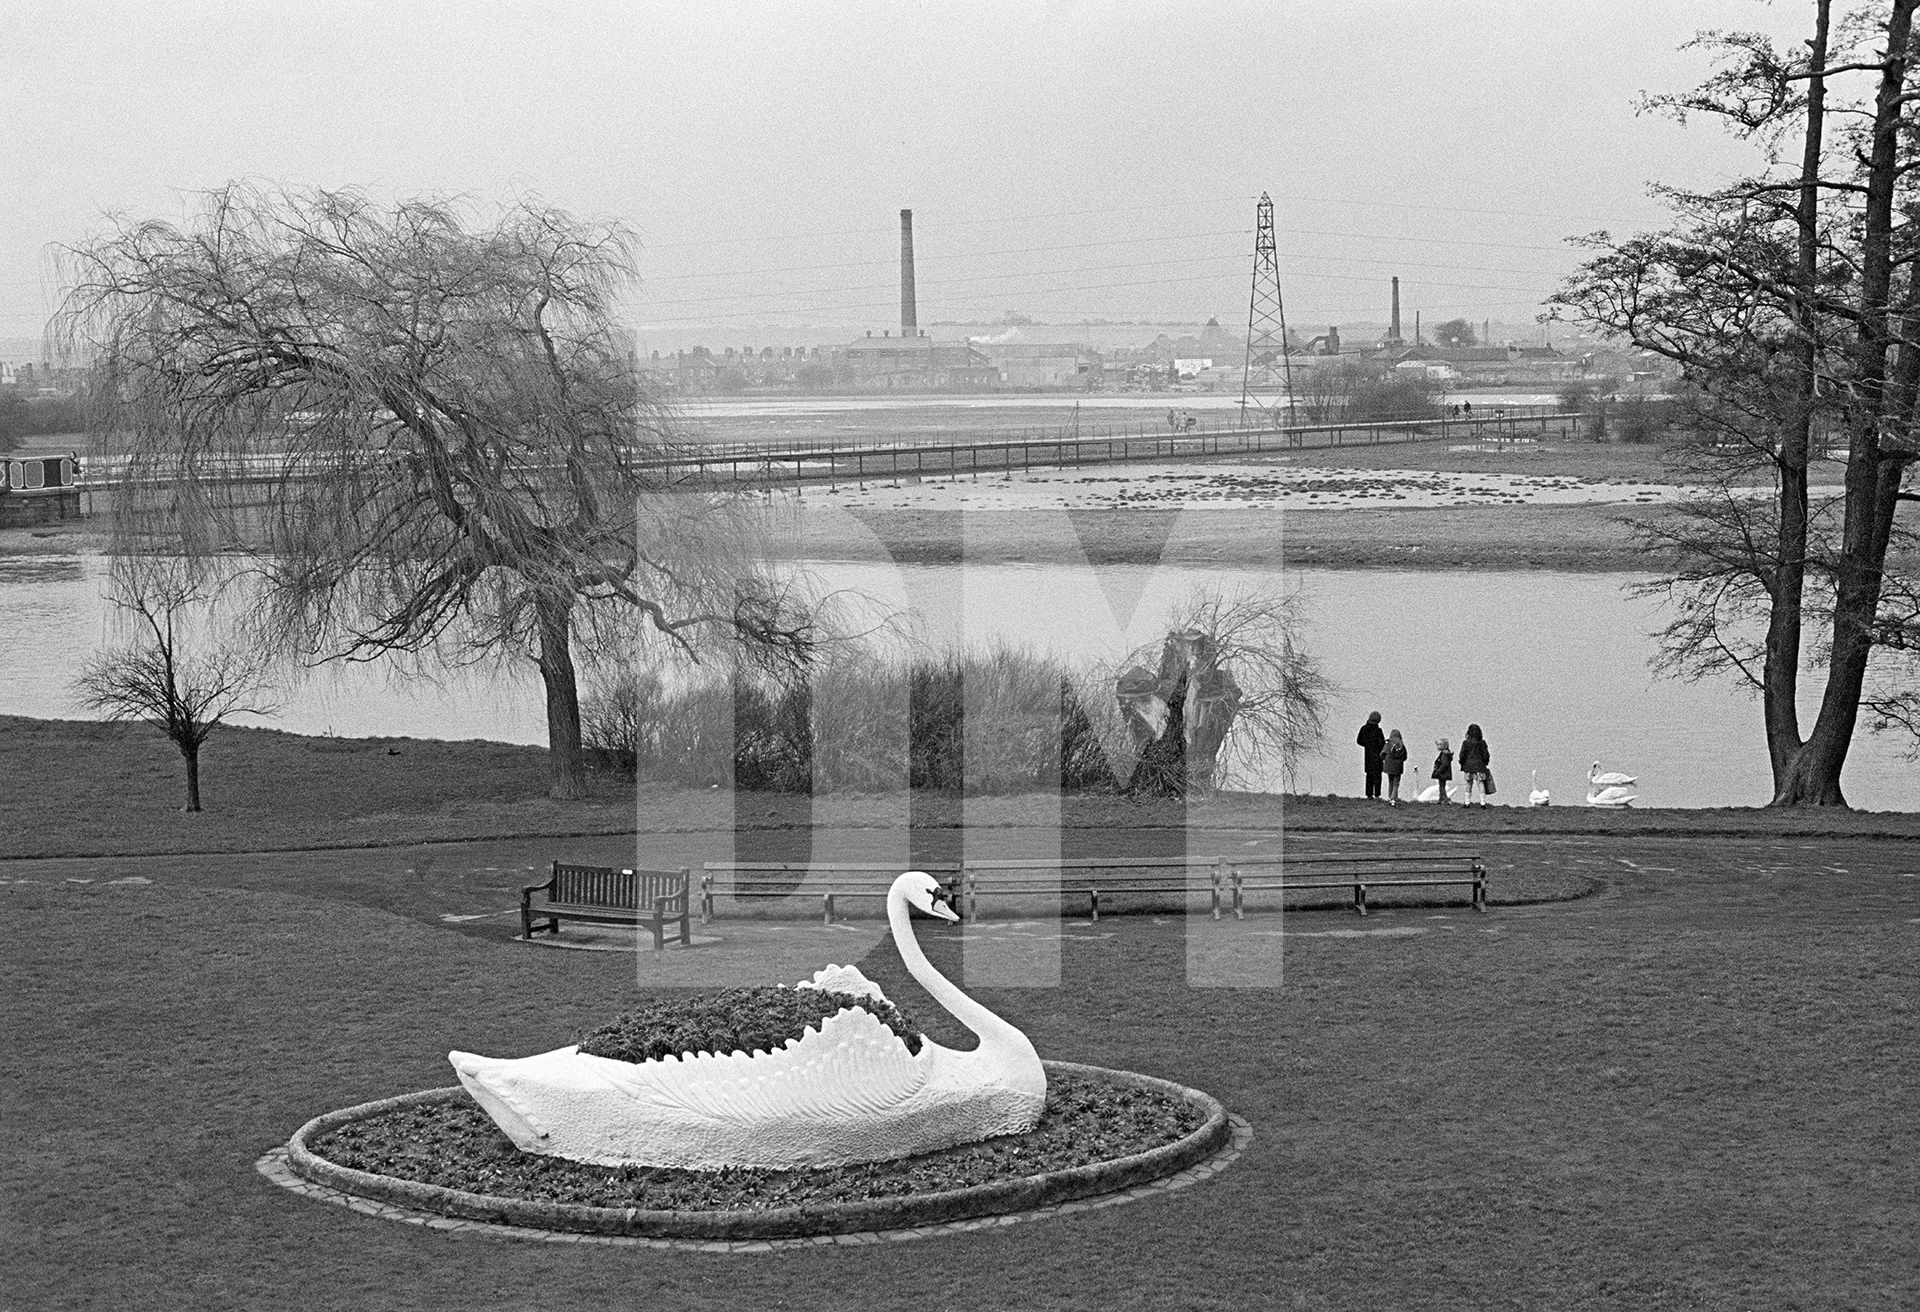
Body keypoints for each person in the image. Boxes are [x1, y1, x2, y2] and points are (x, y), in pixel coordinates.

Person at [1459, 723, 1492, 805]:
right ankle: (1483, 802)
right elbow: (1486, 755)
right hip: (1480, 766)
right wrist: (1485, 763)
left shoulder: (1466, 743)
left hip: (1468, 766)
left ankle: (1467, 802)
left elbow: (1462, 755)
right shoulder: (1482, 743)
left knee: (1468, 783)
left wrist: (1462, 763)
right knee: (1481, 783)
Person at [1357, 711, 1386, 800]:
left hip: (1368, 755)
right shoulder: (1378, 731)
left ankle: (1369, 794)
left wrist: (1367, 745)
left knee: (1369, 775)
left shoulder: (1364, 729)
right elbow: (1382, 743)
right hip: (1378, 756)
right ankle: (1377, 794)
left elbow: (1359, 741)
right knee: (1377, 775)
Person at [1382, 729, 1409, 806]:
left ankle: (1390, 797)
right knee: (1396, 784)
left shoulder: (1387, 745)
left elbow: (1382, 754)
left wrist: (1386, 760)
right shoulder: (1402, 746)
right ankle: (1393, 798)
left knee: (1390, 782)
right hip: (1398, 768)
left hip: (1389, 767)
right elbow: (1405, 757)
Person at [1431, 737, 1454, 804]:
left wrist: (1438, 771)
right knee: (1441, 785)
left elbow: (1444, 764)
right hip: (1445, 773)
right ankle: (1441, 799)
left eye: (1438, 745)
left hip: (1442, 773)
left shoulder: (1444, 755)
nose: (1437, 747)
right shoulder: (1446, 754)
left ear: (1443, 746)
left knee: (1442, 786)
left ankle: (1445, 799)